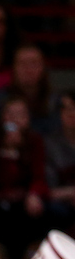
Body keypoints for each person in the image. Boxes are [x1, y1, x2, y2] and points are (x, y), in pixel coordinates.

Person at [0, 96, 50, 259]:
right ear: (2, 117)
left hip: (23, 200)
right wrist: (7, 150)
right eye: (10, 114)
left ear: (28, 119)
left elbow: (38, 176)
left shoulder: (34, 141)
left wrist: (34, 194)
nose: (15, 119)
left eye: (21, 115)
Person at [0, 45, 60, 138]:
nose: (29, 69)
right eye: (23, 64)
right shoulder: (0, 99)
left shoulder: (55, 101)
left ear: (43, 67)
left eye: (34, 63)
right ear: (14, 68)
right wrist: (12, 130)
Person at [44, 91, 75, 225]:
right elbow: (47, 190)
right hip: (61, 204)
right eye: (67, 109)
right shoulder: (49, 144)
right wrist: (71, 193)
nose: (71, 113)